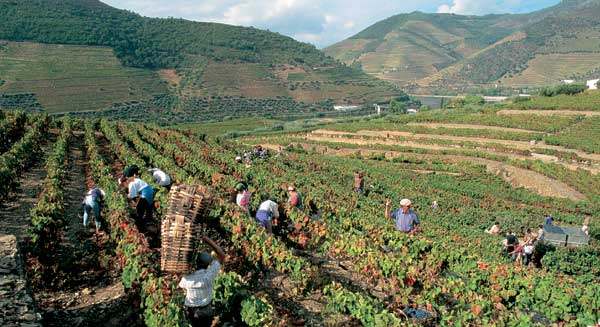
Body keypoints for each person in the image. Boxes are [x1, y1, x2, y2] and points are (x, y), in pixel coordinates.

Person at [179, 236, 226, 327]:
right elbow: (222, 256)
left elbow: (181, 285)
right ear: (207, 264)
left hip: (191, 311)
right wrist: (208, 241)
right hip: (206, 311)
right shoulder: (209, 275)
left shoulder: (187, 277)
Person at [122, 166, 155, 231]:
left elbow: (132, 195)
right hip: (149, 191)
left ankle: (141, 225)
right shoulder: (135, 179)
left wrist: (127, 196)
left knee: (140, 209)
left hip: (146, 194)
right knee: (147, 207)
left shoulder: (131, 183)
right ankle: (148, 221)